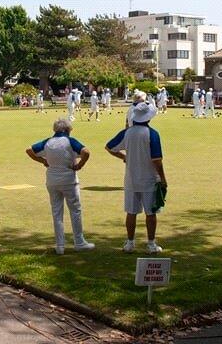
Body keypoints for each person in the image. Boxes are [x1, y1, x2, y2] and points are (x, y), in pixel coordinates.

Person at [26, 118, 95, 255]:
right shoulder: (70, 141)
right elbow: (86, 152)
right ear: (68, 130)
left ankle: (60, 245)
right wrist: (79, 166)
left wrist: (43, 161)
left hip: (52, 180)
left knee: (57, 213)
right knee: (75, 210)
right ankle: (79, 242)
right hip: (69, 179)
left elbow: (29, 150)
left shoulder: (48, 142)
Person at [105, 100, 167, 254]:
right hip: (149, 179)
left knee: (131, 212)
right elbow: (157, 160)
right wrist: (163, 178)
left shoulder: (127, 132)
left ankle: (130, 243)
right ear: (148, 117)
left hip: (131, 179)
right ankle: (151, 243)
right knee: (151, 214)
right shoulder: (152, 134)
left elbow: (109, 147)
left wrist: (123, 157)